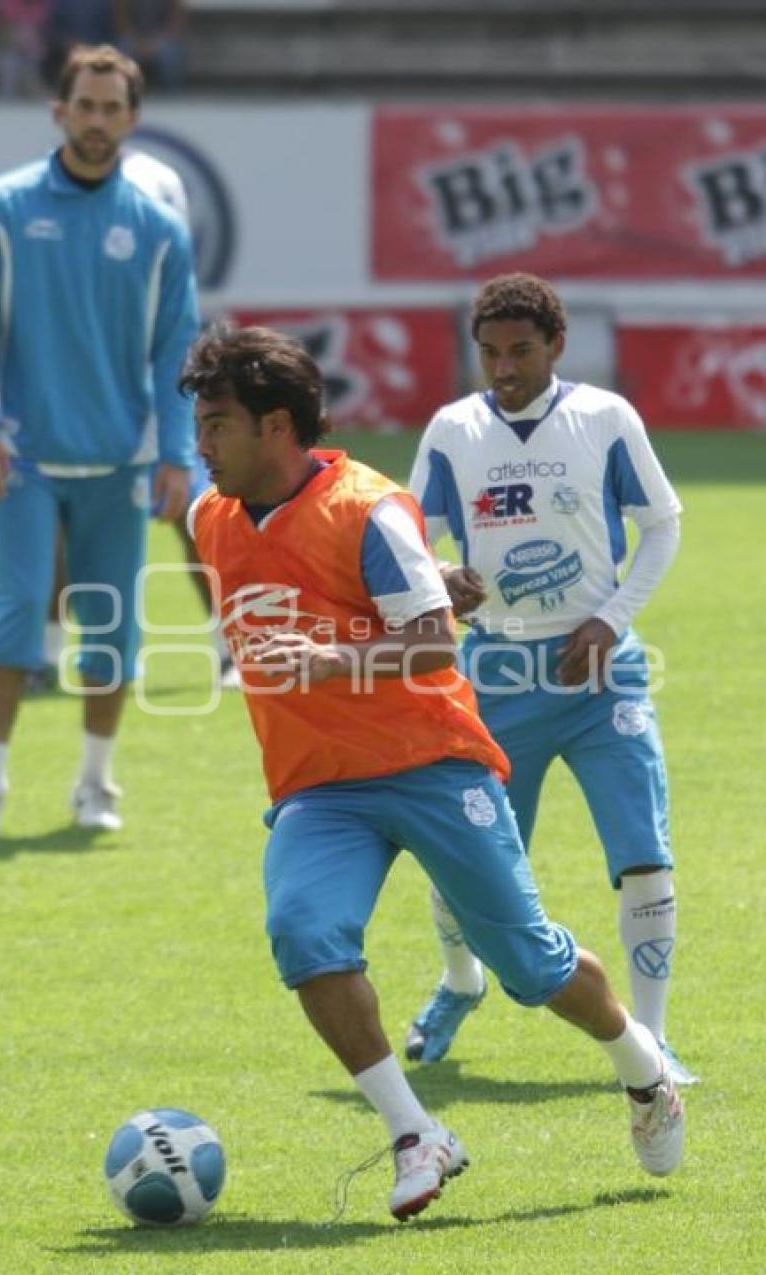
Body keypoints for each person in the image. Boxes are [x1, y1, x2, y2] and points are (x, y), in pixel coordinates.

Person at [180, 322, 684, 1221]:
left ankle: (643, 1070)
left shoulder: (368, 508)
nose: (202, 442)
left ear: (278, 427)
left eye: (217, 423)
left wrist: (333, 657)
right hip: (319, 785)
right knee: (305, 936)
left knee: (532, 968)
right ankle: (417, 1132)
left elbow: (432, 642)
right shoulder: (206, 516)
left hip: (434, 766)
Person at [404, 272, 697, 1087]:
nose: (503, 366)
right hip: (494, 671)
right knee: (467, 857)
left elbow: (662, 525)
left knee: (644, 854)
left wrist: (613, 617)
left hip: (602, 670)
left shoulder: (605, 417)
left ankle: (655, 1036)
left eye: (520, 350)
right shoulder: (453, 428)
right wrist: (443, 574)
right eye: (490, 352)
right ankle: (461, 980)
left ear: (556, 345)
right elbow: (408, 534)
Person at [0, 43, 200, 837]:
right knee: (20, 606)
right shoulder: (2, 206)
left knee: (113, 621)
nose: (97, 120)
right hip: (22, 455)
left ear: (134, 117)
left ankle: (96, 782)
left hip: (121, 461)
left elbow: (175, 349)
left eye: (112, 107)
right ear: (59, 111)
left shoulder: (159, 228)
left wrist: (176, 452)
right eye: (84, 106)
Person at [26, 147, 237, 695]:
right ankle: (46, 657)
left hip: (162, 413)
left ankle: (229, 652)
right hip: (90, 417)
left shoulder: (168, 273)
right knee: (63, 531)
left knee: (199, 523)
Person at [113, 0, 185, 93]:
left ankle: (172, 97)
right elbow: (121, 22)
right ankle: (123, 96)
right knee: (123, 54)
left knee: (170, 57)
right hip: (133, 40)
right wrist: (138, 43)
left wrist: (156, 44)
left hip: (162, 40)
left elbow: (176, 23)